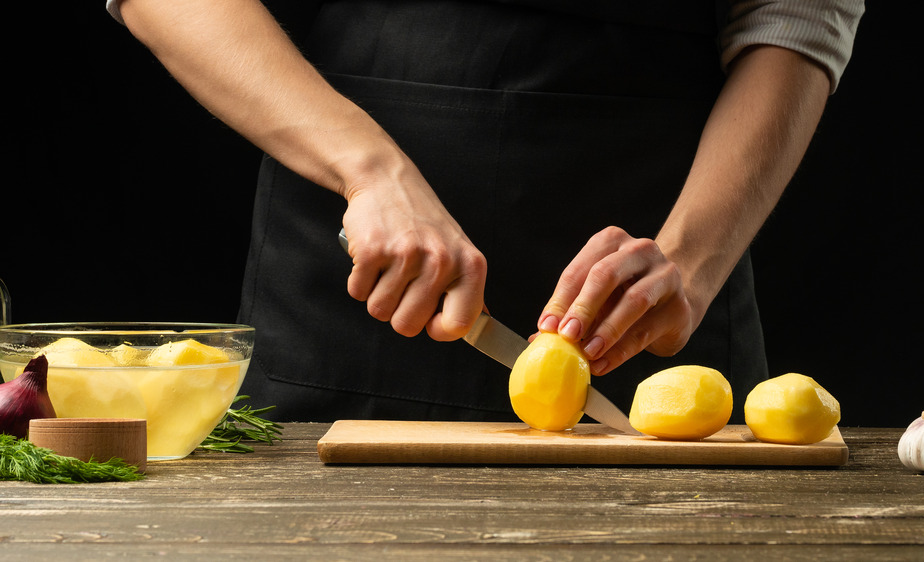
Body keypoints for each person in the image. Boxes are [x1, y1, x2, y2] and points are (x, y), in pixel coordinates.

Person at [107, 0, 864, 422]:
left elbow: (796, 15)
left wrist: (692, 261)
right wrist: (367, 170)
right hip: (338, 324)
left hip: (662, 306)